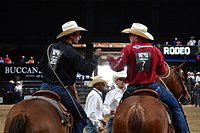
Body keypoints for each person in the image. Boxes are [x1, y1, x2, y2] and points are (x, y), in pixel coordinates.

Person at [106, 22, 189, 133]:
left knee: (119, 111)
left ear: (136, 36)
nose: (129, 37)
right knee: (176, 108)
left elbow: (117, 67)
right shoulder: (155, 50)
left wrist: (110, 59)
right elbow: (162, 71)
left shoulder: (128, 49)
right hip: (153, 86)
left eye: (130, 35)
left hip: (132, 88)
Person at [39, 20, 102, 133]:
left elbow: (40, 66)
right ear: (70, 35)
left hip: (43, 87)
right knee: (82, 118)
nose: (80, 36)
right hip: (60, 89)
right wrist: (95, 57)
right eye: (78, 34)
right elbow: (86, 70)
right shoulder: (71, 52)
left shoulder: (50, 48)